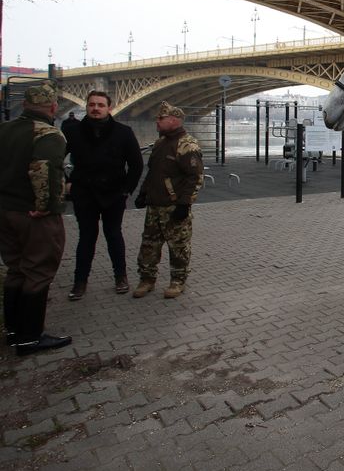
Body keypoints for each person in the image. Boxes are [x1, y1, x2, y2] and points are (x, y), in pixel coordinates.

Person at [0, 82, 73, 355]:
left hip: (5, 211)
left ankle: (13, 330)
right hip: (32, 215)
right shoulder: (48, 135)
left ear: (26, 104)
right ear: (53, 107)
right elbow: (44, 169)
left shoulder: (3, 130)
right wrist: (45, 206)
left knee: (16, 268)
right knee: (39, 270)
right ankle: (31, 338)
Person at [65, 91, 144, 300]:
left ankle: (121, 277)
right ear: (87, 106)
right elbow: (56, 159)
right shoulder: (74, 132)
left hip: (113, 194)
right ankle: (80, 282)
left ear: (109, 108)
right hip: (85, 194)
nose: (96, 108)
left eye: (100, 105)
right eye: (92, 104)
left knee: (114, 235)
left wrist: (126, 190)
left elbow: (136, 165)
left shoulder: (123, 132)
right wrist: (68, 182)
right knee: (86, 238)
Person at [133, 101, 203, 299]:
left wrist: (184, 203)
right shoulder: (160, 143)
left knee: (178, 247)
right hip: (154, 205)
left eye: (160, 118)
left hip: (173, 207)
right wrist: (143, 193)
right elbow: (153, 172)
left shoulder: (186, 145)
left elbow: (195, 177)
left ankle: (177, 281)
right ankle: (146, 279)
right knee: (149, 246)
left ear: (173, 120)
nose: (157, 121)